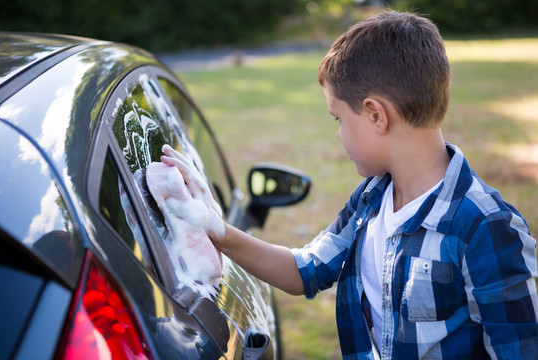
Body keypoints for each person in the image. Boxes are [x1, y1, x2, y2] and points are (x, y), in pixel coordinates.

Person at [174, 11, 538, 359]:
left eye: (339, 118)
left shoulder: (486, 228)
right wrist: (215, 229)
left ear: (376, 115)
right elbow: (306, 271)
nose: (338, 134)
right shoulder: (371, 199)